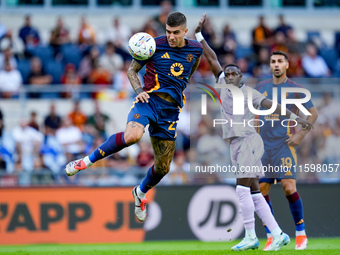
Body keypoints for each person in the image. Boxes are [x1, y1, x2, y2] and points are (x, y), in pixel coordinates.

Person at [65, 12, 202, 222]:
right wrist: (138, 90)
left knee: (163, 167)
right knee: (133, 136)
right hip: (148, 102)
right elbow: (131, 71)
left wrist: (179, 87)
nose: (171, 36)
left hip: (170, 112)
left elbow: (188, 73)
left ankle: (140, 192)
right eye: (168, 32)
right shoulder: (153, 45)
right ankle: (85, 161)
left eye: (175, 33)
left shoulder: (196, 49)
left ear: (185, 31)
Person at [195, 14, 313, 251]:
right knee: (255, 192)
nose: (228, 76)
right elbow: (211, 57)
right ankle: (278, 233)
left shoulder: (250, 93)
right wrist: (199, 35)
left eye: (233, 74)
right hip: (236, 143)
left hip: (249, 142)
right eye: (226, 74)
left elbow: (275, 108)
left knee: (240, 189)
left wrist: (297, 118)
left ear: (241, 78)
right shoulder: (223, 85)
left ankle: (250, 236)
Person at [256, 50, 318, 250]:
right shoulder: (261, 88)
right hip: (263, 147)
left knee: (289, 186)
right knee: (261, 190)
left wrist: (300, 135)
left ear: (287, 65)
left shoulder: (296, 90)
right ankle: (272, 235)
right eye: (273, 61)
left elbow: (313, 113)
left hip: (284, 144)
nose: (276, 65)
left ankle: (300, 233)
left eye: (280, 62)